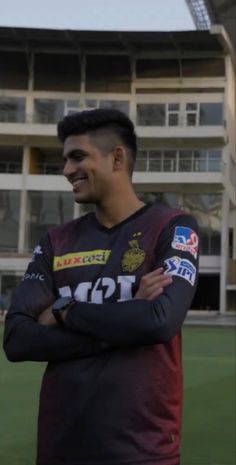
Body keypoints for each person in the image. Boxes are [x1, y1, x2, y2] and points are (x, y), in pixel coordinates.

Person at [3, 109, 199, 465]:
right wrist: (122, 321)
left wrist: (65, 310)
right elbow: (17, 339)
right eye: (64, 159)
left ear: (117, 157)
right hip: (61, 446)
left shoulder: (173, 227)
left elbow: (159, 320)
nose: (66, 170)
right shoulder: (55, 242)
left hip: (142, 451)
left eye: (78, 157)